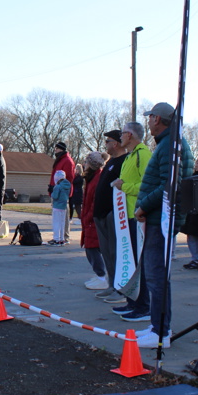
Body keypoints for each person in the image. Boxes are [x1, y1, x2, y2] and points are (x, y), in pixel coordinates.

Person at [133, 102, 194, 349]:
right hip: (160, 218)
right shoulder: (170, 143)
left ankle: (161, 332)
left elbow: (168, 185)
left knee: (157, 276)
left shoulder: (171, 145)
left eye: (150, 117)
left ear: (157, 119)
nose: (148, 122)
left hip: (161, 219)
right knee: (156, 276)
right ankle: (157, 326)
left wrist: (143, 206)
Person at [109, 121, 152, 319]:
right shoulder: (129, 156)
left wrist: (124, 187)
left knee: (138, 263)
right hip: (124, 218)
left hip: (137, 216)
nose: (120, 137)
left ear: (130, 135)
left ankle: (143, 307)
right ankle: (132, 302)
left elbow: (147, 185)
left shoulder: (143, 154)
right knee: (129, 261)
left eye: (123, 133)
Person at [92, 130, 127, 297]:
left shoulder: (124, 161)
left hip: (112, 214)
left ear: (116, 143)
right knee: (106, 252)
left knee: (115, 252)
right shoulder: (111, 162)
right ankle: (112, 284)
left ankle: (120, 287)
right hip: (100, 213)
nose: (105, 144)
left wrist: (113, 213)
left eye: (108, 141)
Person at [80, 151, 109, 288]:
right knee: (91, 248)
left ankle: (101, 277)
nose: (84, 164)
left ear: (92, 164)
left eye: (86, 162)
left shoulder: (97, 179)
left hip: (92, 219)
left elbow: (95, 202)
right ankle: (99, 275)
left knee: (92, 248)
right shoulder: (91, 178)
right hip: (89, 219)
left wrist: (88, 217)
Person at [50, 142, 75, 241]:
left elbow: (69, 178)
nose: (55, 150)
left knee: (63, 215)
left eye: (56, 148)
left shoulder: (67, 161)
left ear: (61, 149)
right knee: (56, 217)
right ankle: (57, 236)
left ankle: (64, 236)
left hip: (62, 194)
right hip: (56, 191)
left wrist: (60, 188)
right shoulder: (60, 160)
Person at [50, 170, 71, 245]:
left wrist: (52, 193)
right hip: (64, 206)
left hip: (57, 206)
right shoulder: (67, 186)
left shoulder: (57, 186)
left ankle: (56, 239)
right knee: (62, 223)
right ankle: (62, 239)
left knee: (56, 223)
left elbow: (55, 196)